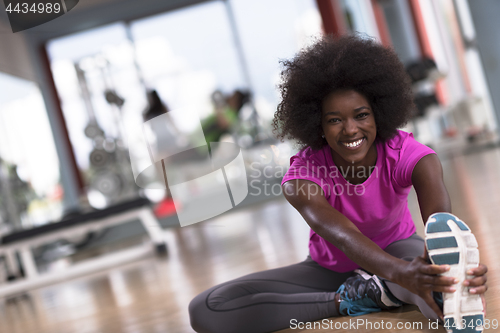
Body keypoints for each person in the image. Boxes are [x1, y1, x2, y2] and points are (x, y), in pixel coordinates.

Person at [188, 35, 488, 333]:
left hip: (401, 253)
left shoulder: (409, 155)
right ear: (317, 123)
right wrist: (397, 274)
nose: (350, 130)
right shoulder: (302, 175)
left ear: (378, 114)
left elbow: (442, 226)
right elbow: (343, 236)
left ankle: (423, 292)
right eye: (334, 120)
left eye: (361, 115)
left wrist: (456, 269)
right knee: (207, 309)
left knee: (433, 286)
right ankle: (357, 298)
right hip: (330, 270)